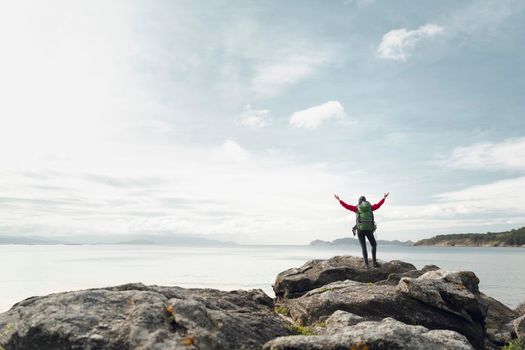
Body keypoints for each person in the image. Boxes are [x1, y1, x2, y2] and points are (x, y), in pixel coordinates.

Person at [334, 192, 389, 268]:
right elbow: (378, 205)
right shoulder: (370, 208)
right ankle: (374, 263)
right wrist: (384, 198)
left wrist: (339, 200)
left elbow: (346, 206)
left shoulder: (357, 208)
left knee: (363, 247)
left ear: (359, 202)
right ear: (365, 201)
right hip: (369, 229)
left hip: (360, 230)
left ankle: (366, 265)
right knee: (373, 245)